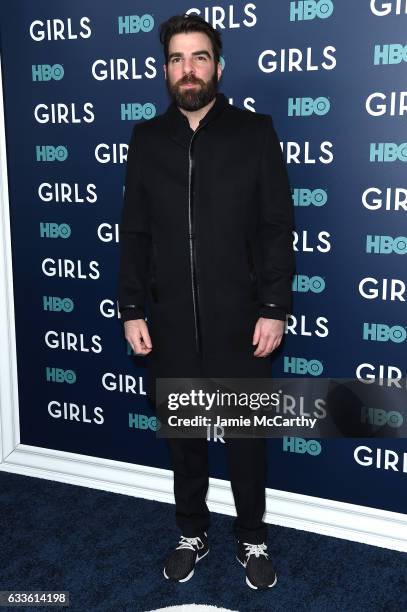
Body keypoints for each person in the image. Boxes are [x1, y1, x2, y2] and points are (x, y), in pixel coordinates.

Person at [118, 13, 295, 590]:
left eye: (199, 57)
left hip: (242, 321)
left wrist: (273, 308)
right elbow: (136, 233)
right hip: (167, 322)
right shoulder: (147, 139)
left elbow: (275, 230)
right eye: (176, 58)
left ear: (218, 66)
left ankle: (252, 537)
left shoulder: (254, 132)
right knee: (184, 439)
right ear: (163, 69)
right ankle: (191, 530)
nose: (188, 69)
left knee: (245, 439)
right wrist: (133, 309)